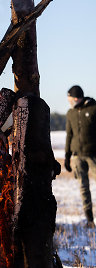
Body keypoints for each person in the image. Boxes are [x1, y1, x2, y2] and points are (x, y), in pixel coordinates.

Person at [65, 85, 96, 228]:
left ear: (76, 98)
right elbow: (69, 136)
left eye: (70, 98)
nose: (69, 101)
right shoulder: (70, 113)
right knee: (83, 187)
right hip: (77, 156)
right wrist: (67, 156)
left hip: (93, 154)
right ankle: (89, 219)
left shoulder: (93, 109)